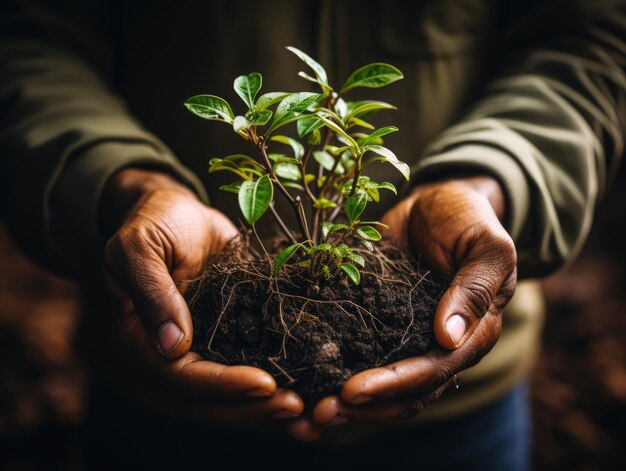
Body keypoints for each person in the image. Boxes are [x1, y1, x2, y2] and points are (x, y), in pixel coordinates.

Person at [0, 0, 624, 469]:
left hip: (458, 417)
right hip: (158, 414)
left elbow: (586, 40)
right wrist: (124, 187)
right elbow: (30, 41)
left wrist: (493, 180)